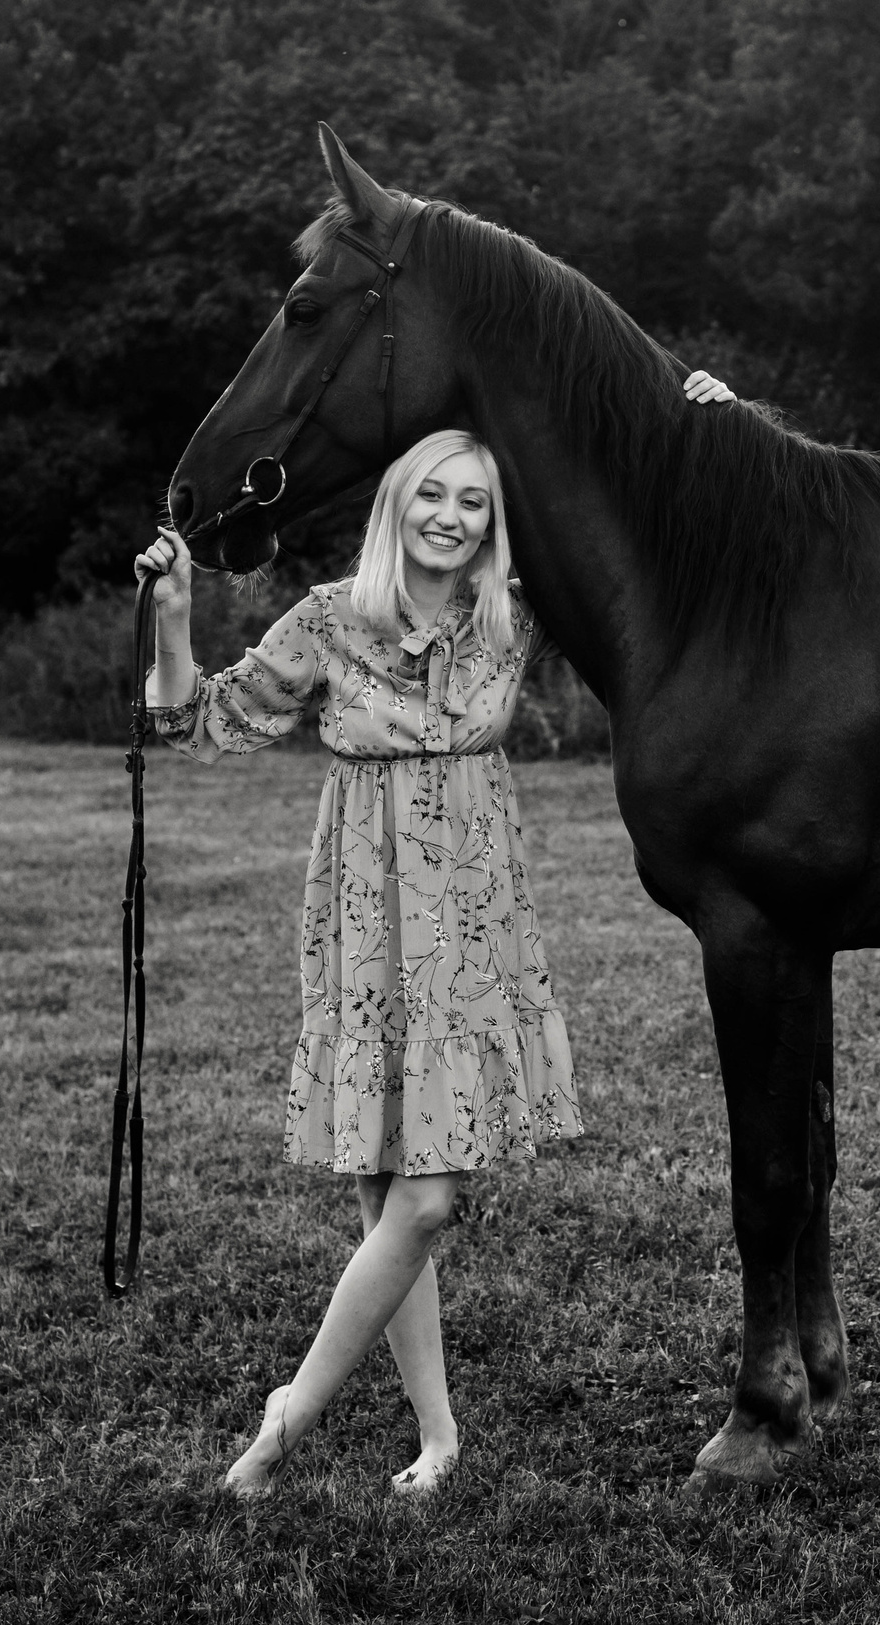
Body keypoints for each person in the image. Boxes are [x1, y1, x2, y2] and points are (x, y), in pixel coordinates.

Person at [135, 371, 736, 1498]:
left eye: (475, 503)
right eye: (434, 496)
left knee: (428, 1196)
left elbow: (666, 544)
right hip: (366, 909)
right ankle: (439, 1440)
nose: (452, 518)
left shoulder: (509, 609)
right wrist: (172, 622)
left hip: (470, 907)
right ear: (397, 504)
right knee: (392, 1198)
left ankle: (286, 1419)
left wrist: (708, 428)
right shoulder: (325, 618)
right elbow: (191, 720)